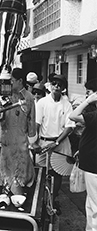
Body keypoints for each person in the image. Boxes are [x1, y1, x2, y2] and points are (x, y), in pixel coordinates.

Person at [34, 74, 75, 214]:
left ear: (63, 88)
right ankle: (41, 200)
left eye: (59, 84)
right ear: (50, 86)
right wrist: (34, 143)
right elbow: (37, 124)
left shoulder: (66, 104)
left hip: (60, 142)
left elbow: (69, 127)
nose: (56, 86)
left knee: (57, 174)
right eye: (54, 84)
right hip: (44, 143)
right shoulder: (42, 103)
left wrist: (56, 141)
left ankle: (53, 199)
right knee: (40, 172)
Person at [0, 68, 36, 207]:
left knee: (20, 165)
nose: (10, 84)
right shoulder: (6, 95)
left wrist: (32, 140)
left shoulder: (29, 97)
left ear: (20, 81)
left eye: (12, 81)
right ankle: (5, 191)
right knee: (6, 165)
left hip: (21, 140)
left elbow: (32, 120)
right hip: (7, 138)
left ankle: (19, 191)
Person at [69, 78, 97, 231]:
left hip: (94, 167)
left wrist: (87, 101)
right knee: (91, 203)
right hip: (91, 163)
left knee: (94, 206)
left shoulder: (94, 115)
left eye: (90, 93)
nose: (88, 95)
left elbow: (73, 115)